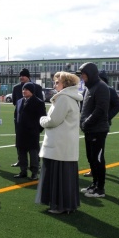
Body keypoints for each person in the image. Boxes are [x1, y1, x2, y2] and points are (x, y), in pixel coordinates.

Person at [35, 71, 84, 214]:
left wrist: (41, 120)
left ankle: (59, 206)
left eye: (57, 82)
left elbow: (53, 120)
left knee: (58, 176)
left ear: (66, 84)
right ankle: (66, 205)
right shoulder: (72, 97)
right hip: (65, 144)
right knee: (65, 177)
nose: (54, 85)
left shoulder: (63, 98)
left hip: (59, 144)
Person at [78, 62, 110, 198]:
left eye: (84, 74)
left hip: (98, 130)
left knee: (97, 159)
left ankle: (100, 189)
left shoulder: (101, 87)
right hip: (89, 130)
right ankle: (94, 184)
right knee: (91, 158)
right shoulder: (89, 88)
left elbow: (100, 109)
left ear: (90, 74)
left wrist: (86, 122)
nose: (82, 77)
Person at [82, 71, 119, 177]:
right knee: (89, 151)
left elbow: (117, 106)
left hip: (100, 126)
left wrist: (106, 117)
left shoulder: (109, 90)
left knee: (98, 151)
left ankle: (98, 173)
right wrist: (84, 119)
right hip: (88, 124)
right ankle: (93, 169)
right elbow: (83, 105)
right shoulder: (88, 89)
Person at [14, 82, 46, 180]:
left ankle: (34, 172)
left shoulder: (39, 102)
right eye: (23, 89)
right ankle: (23, 171)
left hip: (32, 133)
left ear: (32, 91)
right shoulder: (19, 101)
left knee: (33, 153)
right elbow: (16, 116)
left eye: (26, 89)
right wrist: (17, 128)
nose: (24, 91)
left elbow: (42, 118)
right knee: (21, 152)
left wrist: (37, 130)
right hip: (21, 132)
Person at [11, 68, 43, 167]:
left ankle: (36, 162)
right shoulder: (16, 88)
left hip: (33, 120)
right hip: (20, 119)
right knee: (19, 141)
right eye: (20, 76)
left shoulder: (37, 87)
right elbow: (14, 102)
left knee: (34, 143)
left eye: (23, 76)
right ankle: (21, 161)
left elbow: (40, 102)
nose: (21, 77)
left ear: (28, 77)